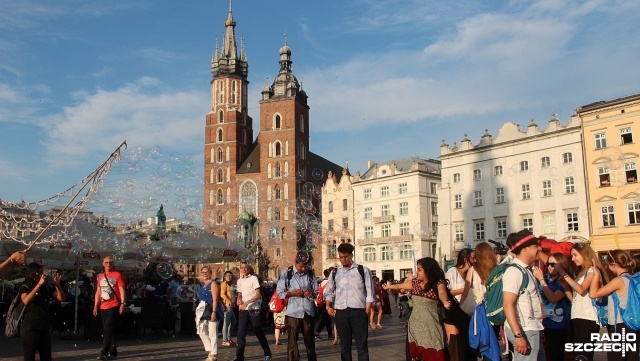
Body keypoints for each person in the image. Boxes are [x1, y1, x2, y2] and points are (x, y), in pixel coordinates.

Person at [382, 257, 448, 361]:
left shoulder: (438, 283)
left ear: (428, 270)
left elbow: (442, 293)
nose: (417, 272)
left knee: (433, 354)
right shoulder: (415, 283)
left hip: (431, 327)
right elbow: (401, 285)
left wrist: (444, 301)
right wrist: (390, 287)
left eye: (419, 269)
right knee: (416, 357)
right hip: (415, 327)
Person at [555, 242, 608, 361]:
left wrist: (563, 274)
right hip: (577, 316)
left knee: (584, 355)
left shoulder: (592, 271)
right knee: (578, 355)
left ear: (584, 254)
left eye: (575, 255)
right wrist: (565, 288)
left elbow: (581, 289)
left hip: (588, 318)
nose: (573, 259)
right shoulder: (582, 272)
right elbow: (575, 299)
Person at [324, 242, 375, 361]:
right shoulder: (335, 272)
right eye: (341, 257)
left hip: (358, 311)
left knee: (362, 346)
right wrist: (328, 305)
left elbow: (370, 291)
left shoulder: (362, 270)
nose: (343, 259)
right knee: (345, 347)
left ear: (351, 256)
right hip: (341, 311)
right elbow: (329, 290)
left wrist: (367, 308)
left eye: (346, 257)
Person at [589, 249, 639, 361]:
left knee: (615, 357)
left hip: (621, 326)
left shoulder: (619, 280)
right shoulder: (633, 278)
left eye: (608, 264)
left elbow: (593, 294)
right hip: (634, 325)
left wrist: (596, 274)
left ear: (613, 264)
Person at [502, 230, 544, 361]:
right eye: (536, 246)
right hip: (525, 330)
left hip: (532, 328)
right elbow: (507, 304)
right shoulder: (514, 271)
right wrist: (518, 335)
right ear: (525, 249)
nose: (539, 248)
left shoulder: (526, 270)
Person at [276, 254, 318, 361]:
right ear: (295, 262)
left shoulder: (310, 273)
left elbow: (316, 292)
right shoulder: (286, 273)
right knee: (292, 343)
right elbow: (279, 293)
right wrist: (293, 293)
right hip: (293, 313)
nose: (303, 269)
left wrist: (311, 293)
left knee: (310, 342)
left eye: (305, 266)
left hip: (307, 312)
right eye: (301, 266)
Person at [20, 263, 65, 361]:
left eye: (42, 273)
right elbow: (26, 300)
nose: (41, 275)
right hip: (30, 326)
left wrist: (57, 285)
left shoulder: (46, 287)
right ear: (33, 273)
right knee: (29, 355)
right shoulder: (26, 285)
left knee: (46, 356)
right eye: (39, 273)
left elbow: (61, 298)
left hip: (44, 325)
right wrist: (39, 285)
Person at [531, 252, 572, 361]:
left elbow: (553, 298)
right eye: (548, 264)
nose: (549, 266)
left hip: (558, 325)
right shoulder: (546, 278)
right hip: (543, 323)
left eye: (553, 264)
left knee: (556, 355)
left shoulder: (562, 281)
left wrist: (541, 281)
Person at [233, 261, 272, 361]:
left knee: (258, 330)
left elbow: (258, 294)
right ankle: (239, 356)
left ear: (249, 268)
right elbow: (240, 293)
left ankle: (267, 354)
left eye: (245, 267)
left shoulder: (253, 278)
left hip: (253, 308)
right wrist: (239, 299)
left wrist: (247, 303)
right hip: (243, 309)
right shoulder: (239, 281)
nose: (243, 269)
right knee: (241, 332)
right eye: (242, 268)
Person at [93, 256, 126, 360]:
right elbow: (98, 292)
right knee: (108, 329)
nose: (108, 264)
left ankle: (104, 351)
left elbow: (122, 290)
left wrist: (122, 303)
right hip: (103, 306)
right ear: (103, 264)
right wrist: (95, 306)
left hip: (114, 305)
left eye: (110, 263)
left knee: (107, 328)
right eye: (106, 262)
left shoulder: (117, 275)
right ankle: (113, 352)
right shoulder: (100, 276)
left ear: (113, 264)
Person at [196, 266, 220, 361]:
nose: (204, 274)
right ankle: (210, 350)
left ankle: (214, 355)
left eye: (206, 272)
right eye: (203, 272)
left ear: (210, 273)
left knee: (212, 333)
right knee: (202, 332)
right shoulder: (202, 285)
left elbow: (215, 299)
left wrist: (214, 311)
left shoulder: (213, 283)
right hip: (202, 311)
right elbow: (200, 301)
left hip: (211, 310)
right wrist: (197, 315)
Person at [314, 268, 334, 340]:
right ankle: (316, 332)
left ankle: (330, 334)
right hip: (325, 302)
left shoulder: (322, 282)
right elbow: (326, 293)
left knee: (327, 319)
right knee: (324, 318)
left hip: (321, 302)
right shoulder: (327, 282)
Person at [220, 271, 237, 347]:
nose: (228, 277)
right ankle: (224, 340)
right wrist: (229, 301)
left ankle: (229, 338)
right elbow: (222, 295)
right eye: (227, 275)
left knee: (233, 322)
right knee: (226, 323)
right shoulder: (224, 284)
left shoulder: (232, 284)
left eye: (230, 275)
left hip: (232, 305)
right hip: (227, 305)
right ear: (224, 276)